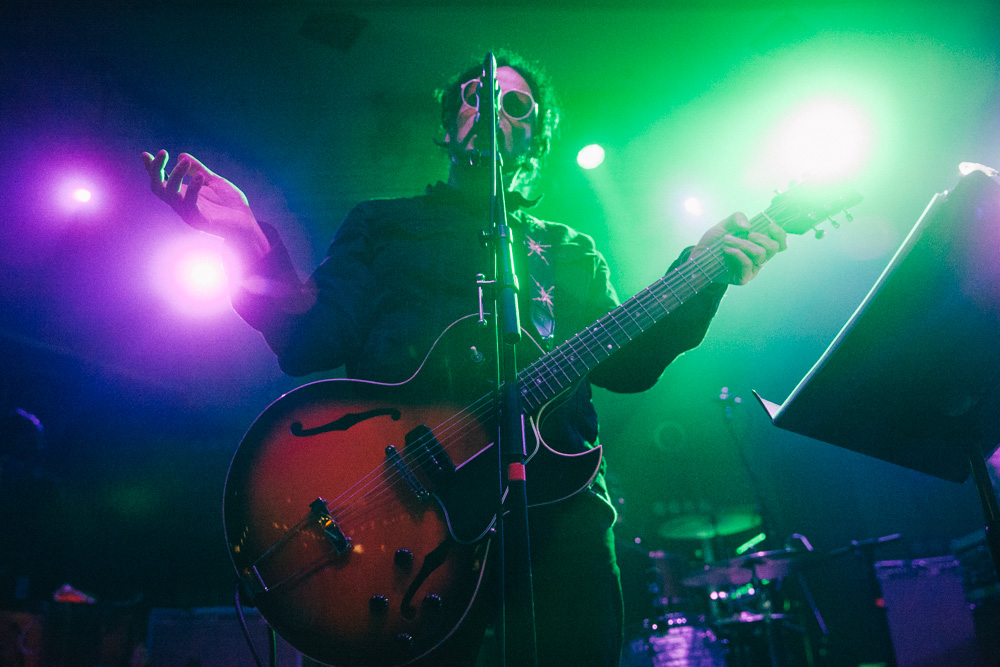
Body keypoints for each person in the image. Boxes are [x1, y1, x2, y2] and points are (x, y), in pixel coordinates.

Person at [142, 51, 786, 667]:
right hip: (402, 520)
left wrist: (702, 277)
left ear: (535, 137)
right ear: (450, 123)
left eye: (515, 103)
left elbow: (626, 366)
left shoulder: (568, 251)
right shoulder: (383, 226)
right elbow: (309, 338)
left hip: (555, 518)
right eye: (476, 96)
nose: (492, 108)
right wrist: (248, 239)